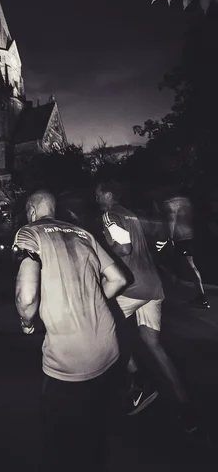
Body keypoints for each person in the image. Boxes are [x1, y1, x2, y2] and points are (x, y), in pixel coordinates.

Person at [13, 190, 127, 472]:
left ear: (31, 211)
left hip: (68, 359)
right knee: (92, 429)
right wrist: (91, 299)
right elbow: (119, 278)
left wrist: (27, 323)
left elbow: (26, 298)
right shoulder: (83, 233)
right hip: (108, 349)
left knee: (59, 443)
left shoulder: (30, 232)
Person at [95, 180, 208, 440]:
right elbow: (153, 240)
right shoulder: (130, 213)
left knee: (105, 329)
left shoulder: (110, 215)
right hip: (153, 286)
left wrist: (101, 250)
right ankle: (187, 407)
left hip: (132, 288)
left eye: (99, 195)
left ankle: (139, 383)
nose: (97, 199)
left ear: (108, 195)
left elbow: (124, 248)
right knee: (153, 344)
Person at [154, 187, 210, 309]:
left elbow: (171, 221)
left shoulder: (170, 203)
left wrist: (170, 238)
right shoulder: (186, 201)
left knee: (170, 263)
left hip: (179, 238)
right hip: (189, 236)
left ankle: (200, 297)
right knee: (185, 265)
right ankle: (198, 296)